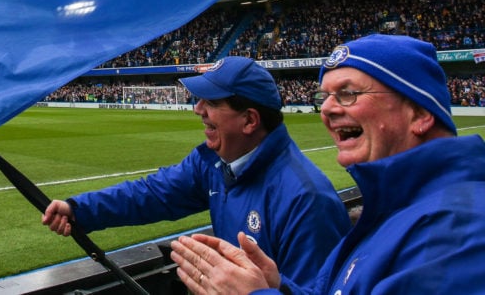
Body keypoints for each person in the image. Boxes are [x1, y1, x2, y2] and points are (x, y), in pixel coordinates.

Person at [170, 34, 485, 294]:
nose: (328, 109)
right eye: (325, 97)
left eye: (347, 93)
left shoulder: (459, 228)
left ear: (419, 113)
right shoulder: (395, 211)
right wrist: (278, 286)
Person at [41, 56, 350, 287]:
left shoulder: (307, 201)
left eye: (211, 102)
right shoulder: (214, 162)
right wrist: (79, 209)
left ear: (249, 121)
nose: (197, 109)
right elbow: (152, 193)